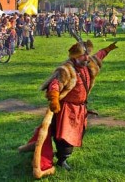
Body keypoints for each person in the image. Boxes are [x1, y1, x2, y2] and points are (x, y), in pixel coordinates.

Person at [18, 39, 118, 179]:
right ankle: (61, 159)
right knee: (65, 137)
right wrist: (54, 99)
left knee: (77, 134)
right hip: (66, 109)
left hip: (80, 109)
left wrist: (108, 49)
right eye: (83, 55)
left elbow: (98, 56)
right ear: (74, 57)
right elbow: (55, 85)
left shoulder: (88, 65)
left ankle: (61, 155)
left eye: (87, 55)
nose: (86, 58)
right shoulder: (65, 70)